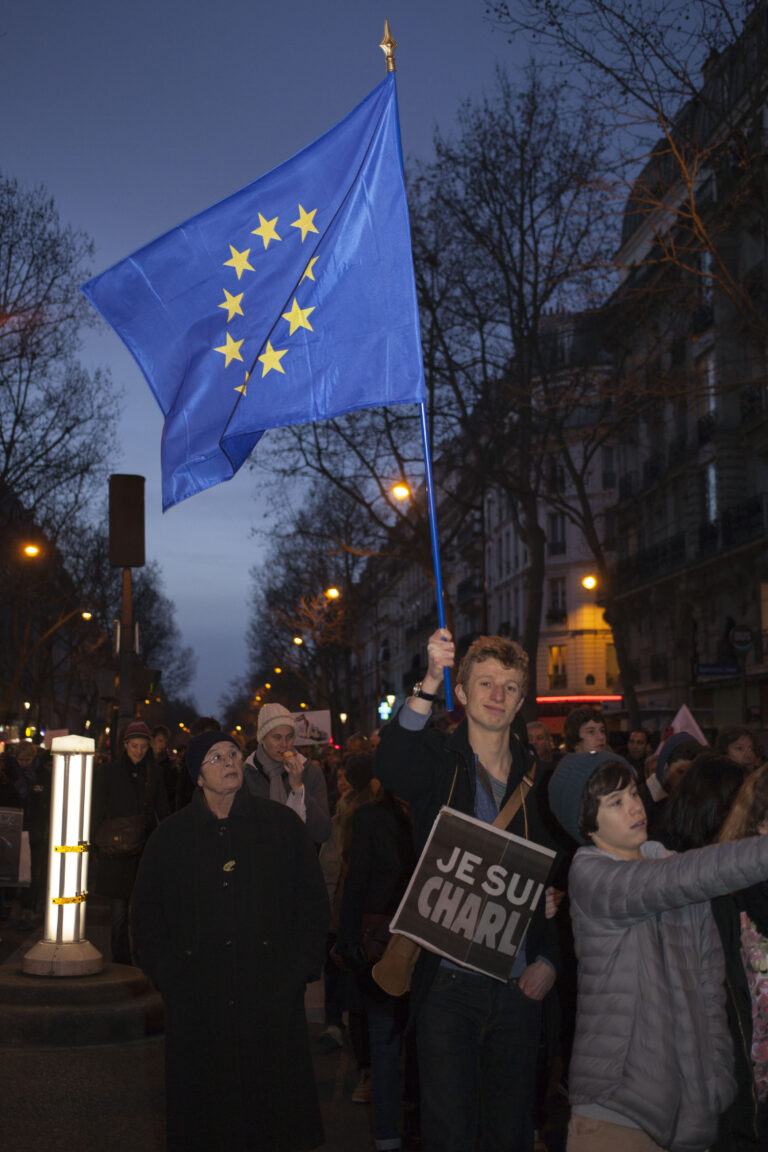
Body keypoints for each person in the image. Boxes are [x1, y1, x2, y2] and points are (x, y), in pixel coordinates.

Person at [376, 628, 560, 1152]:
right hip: (448, 988)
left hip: (519, 986)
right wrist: (430, 678)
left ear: (522, 700)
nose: (497, 695)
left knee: (509, 1133)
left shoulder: (541, 781)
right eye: (484, 682)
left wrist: (549, 957)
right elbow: (391, 765)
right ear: (462, 693)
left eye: (509, 686)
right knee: (449, 1132)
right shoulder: (438, 760)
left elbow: (558, 876)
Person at [547, 748, 768, 1152]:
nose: (635, 807)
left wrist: (716, 1080)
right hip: (617, 1112)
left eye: (633, 793)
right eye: (616, 802)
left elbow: (709, 987)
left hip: (690, 1116)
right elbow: (683, 878)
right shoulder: (592, 876)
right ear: (586, 821)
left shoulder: (669, 866)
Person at [131, 730, 329, 1152]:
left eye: (234, 754)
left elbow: (311, 902)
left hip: (270, 996)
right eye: (215, 758)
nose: (229, 762)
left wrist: (297, 971)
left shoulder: (281, 826)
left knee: (272, 1117)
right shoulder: (170, 838)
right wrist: (171, 977)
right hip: (199, 1001)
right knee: (208, 1117)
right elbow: (146, 915)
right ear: (197, 777)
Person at [92, 719, 170, 964]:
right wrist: (96, 841)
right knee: (117, 915)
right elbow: (97, 809)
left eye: (143, 746)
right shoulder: (108, 773)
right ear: (125, 745)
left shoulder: (153, 773)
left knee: (139, 911)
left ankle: (137, 958)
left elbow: (162, 808)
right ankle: (121, 960)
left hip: (141, 850)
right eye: (134, 746)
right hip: (116, 852)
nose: (139, 751)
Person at [243, 703, 331, 844]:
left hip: (300, 860)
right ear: (262, 738)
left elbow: (322, 832)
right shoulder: (246, 775)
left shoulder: (311, 772)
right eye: (277, 737)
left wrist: (298, 788)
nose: (284, 744)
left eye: (289, 737)